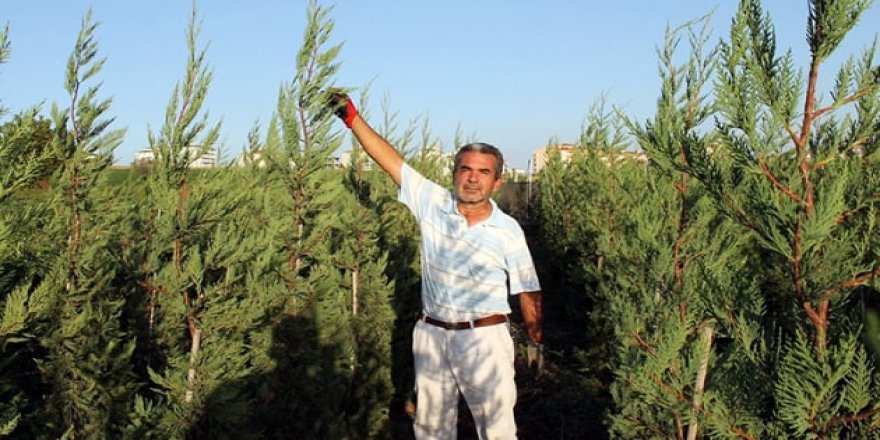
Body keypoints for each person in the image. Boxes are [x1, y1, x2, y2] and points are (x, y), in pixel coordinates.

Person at [328, 91, 543, 439]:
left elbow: (528, 286)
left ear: (497, 182)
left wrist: (535, 337)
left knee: (497, 429)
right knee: (430, 429)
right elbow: (390, 160)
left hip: (485, 338)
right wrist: (352, 118)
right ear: (454, 172)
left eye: (483, 173)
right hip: (431, 335)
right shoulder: (432, 202)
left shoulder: (508, 230)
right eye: (466, 169)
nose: (473, 178)